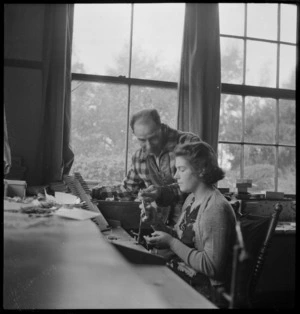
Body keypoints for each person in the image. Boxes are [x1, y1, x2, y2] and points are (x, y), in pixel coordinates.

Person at [141, 141, 236, 306]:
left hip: (207, 293)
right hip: (187, 276)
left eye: (181, 169)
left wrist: (170, 243)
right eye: (176, 169)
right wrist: (155, 221)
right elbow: (180, 238)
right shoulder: (192, 199)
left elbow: (211, 268)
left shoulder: (215, 209)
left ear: (202, 170)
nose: (176, 176)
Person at [91, 108, 200, 226]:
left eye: (153, 138)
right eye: (142, 140)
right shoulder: (139, 157)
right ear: (134, 134)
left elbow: (196, 184)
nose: (148, 146)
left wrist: (161, 193)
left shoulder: (188, 142)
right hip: (163, 228)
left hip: (193, 224)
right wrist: (93, 192)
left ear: (161, 127)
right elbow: (127, 191)